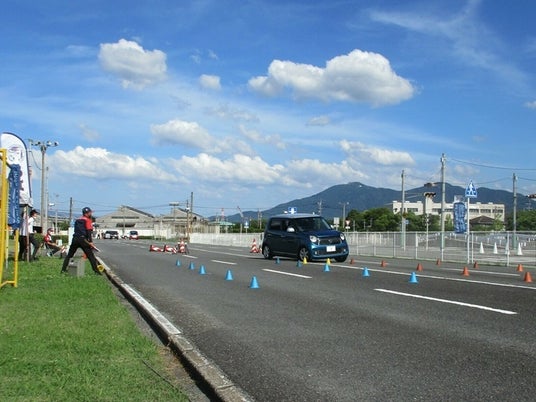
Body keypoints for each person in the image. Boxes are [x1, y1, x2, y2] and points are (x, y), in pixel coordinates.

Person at [61, 207, 101, 275]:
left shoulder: (78, 220)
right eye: (90, 213)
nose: (91, 214)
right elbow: (88, 231)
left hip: (75, 238)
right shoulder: (88, 220)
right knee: (90, 256)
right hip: (83, 240)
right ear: (86, 213)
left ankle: (63, 270)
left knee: (69, 255)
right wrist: (90, 242)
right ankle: (97, 272)